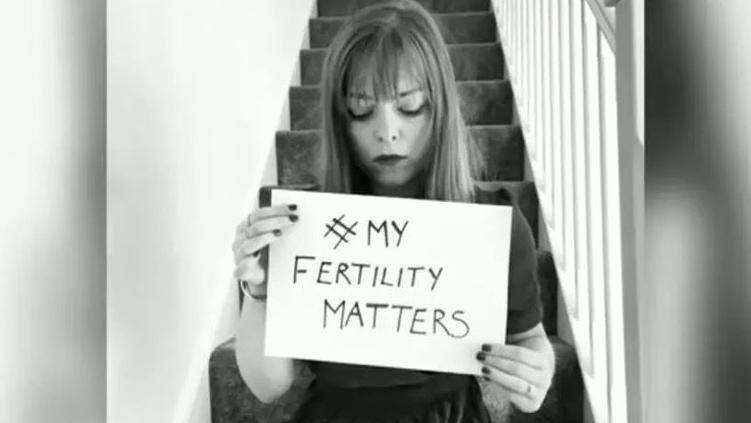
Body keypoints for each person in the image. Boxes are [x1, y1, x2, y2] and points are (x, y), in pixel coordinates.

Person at [232, 1, 555, 421]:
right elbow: (268, 386)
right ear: (339, 117)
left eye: (410, 105)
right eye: (362, 109)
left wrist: (536, 371)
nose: (387, 131)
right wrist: (258, 292)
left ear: (440, 107)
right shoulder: (302, 224)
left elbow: (531, 341)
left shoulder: (494, 225)